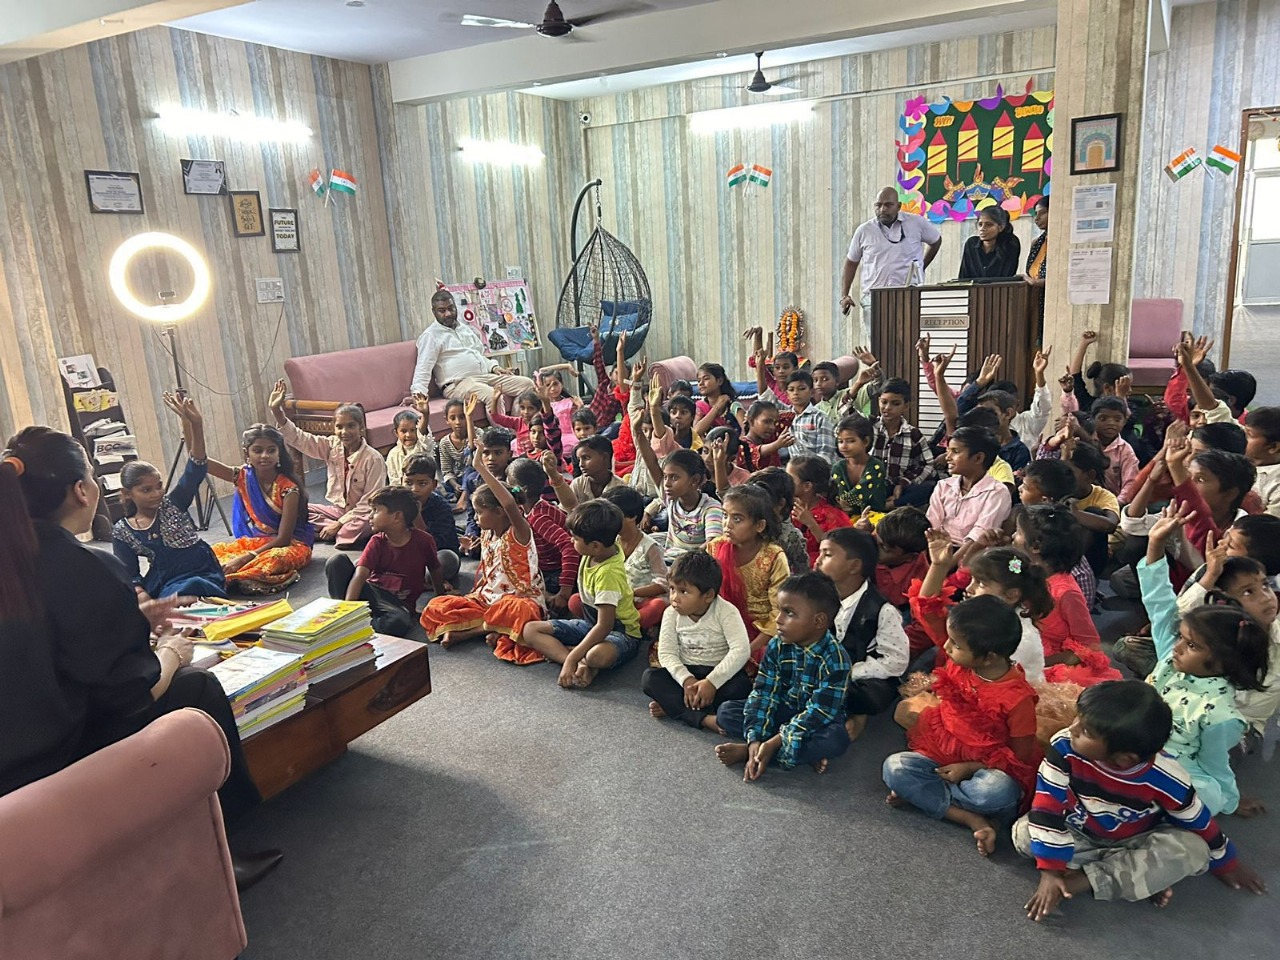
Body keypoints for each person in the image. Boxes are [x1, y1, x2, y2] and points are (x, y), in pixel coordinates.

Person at [0, 427, 281, 890]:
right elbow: (129, 696)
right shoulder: (87, 565)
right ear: (82, 490)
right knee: (196, 686)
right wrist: (170, 653)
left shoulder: (17, 556)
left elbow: (40, 638)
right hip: (51, 757)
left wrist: (129, 617)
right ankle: (224, 849)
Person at [1017, 681, 1266, 922]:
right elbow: (1046, 805)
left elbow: (1197, 821)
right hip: (1077, 830)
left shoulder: (1167, 776)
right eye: (1077, 718)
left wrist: (1227, 863)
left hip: (1133, 839)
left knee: (1192, 850)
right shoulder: (1064, 746)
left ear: (1124, 759)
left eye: (1085, 731)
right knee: (1023, 833)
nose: (1071, 729)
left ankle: (1077, 881)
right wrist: (1050, 870)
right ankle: (1133, 877)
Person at [1137, 505, 1270, 815]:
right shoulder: (1173, 658)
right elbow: (1160, 605)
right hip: (1134, 737)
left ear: (1222, 661)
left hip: (1172, 764)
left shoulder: (1221, 715)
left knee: (1207, 795)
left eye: (1191, 644)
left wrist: (1230, 801)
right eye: (1182, 639)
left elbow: (1214, 763)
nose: (1177, 648)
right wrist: (1155, 544)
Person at [883, 594, 1041, 856]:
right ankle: (972, 819)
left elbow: (1020, 757)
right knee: (894, 767)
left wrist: (969, 769)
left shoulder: (1017, 699)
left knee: (996, 791)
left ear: (988, 657)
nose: (945, 647)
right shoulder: (960, 663)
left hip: (985, 769)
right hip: (941, 755)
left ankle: (927, 796)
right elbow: (927, 611)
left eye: (955, 644)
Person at [714, 572, 853, 778]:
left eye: (789, 613)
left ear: (819, 621)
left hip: (816, 720)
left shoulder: (836, 660)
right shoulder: (777, 645)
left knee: (836, 739)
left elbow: (818, 712)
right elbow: (764, 692)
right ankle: (771, 751)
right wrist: (755, 738)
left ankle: (759, 753)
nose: (778, 620)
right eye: (779, 610)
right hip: (783, 709)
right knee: (726, 712)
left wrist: (772, 742)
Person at [419, 439, 544, 660]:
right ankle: (495, 627)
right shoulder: (486, 533)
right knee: (437, 606)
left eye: (479, 512)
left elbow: (509, 504)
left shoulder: (519, 532)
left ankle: (470, 632)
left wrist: (480, 468)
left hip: (519, 600)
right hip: (487, 599)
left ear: (498, 512)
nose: (475, 518)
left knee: (520, 612)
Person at [518, 499, 643, 688]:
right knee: (530, 630)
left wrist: (571, 660)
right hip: (589, 624)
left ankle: (579, 660)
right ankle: (581, 664)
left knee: (597, 656)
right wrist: (575, 658)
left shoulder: (608, 574)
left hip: (621, 633)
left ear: (595, 546)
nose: (570, 540)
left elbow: (605, 626)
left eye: (575, 538)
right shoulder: (594, 553)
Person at [113, 392, 225, 599]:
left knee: (194, 587)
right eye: (146, 490)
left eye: (159, 486)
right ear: (128, 494)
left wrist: (196, 425)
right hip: (166, 580)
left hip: (202, 572)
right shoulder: (122, 530)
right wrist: (141, 594)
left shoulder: (173, 504)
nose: (156, 494)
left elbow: (196, 468)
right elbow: (129, 573)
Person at [910, 535, 1048, 683]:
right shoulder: (977, 614)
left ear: (1012, 595)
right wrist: (939, 566)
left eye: (981, 584)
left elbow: (995, 693)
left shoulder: (1020, 641)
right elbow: (929, 609)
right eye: (972, 580)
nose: (969, 588)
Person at [642, 550, 752, 731]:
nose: (674, 597)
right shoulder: (671, 613)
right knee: (650, 679)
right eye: (672, 589)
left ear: (708, 595)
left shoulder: (726, 612)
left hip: (718, 674)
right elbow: (667, 653)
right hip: (687, 674)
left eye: (683, 591)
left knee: (740, 687)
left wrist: (711, 683)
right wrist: (686, 681)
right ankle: (705, 719)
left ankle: (676, 708)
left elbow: (740, 650)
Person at [268, 380, 385, 549]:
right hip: (337, 511)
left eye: (351, 426)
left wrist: (339, 524)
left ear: (361, 427)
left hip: (363, 513)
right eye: (340, 427)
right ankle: (333, 533)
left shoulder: (373, 459)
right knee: (297, 510)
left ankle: (331, 532)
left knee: (362, 525)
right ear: (334, 428)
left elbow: (370, 502)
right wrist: (276, 411)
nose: (345, 432)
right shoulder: (331, 446)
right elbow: (301, 439)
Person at [817, 528, 909, 740]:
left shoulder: (882, 609)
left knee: (871, 696)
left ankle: (855, 714)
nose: (818, 560)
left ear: (854, 566)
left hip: (857, 675)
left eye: (827, 554)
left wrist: (853, 671)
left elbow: (897, 661)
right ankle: (832, 715)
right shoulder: (814, 594)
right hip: (820, 665)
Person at [1014, 505, 1118, 685]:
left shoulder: (1066, 593)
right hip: (1021, 643)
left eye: (1017, 532)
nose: (1012, 537)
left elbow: (1089, 646)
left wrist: (1038, 663)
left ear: (1036, 546)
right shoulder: (1019, 568)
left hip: (1052, 660)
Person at [207, 422, 315, 594]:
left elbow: (284, 539)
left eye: (271, 450)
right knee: (212, 553)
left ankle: (235, 579)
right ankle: (237, 579)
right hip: (259, 541)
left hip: (291, 545)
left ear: (279, 453)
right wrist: (192, 425)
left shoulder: (289, 488)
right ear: (246, 453)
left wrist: (248, 556)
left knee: (274, 558)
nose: (265, 456)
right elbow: (200, 461)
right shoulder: (242, 477)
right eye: (258, 450)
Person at [325, 486, 446, 637]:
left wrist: (441, 600)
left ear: (397, 517)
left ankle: (360, 625)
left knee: (398, 621)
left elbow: (435, 569)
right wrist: (349, 610)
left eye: (375, 510)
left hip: (396, 604)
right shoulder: (377, 541)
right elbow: (360, 575)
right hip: (371, 591)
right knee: (337, 561)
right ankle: (348, 619)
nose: (370, 516)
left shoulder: (424, 541)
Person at [841, 186, 943, 336]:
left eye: (888, 205)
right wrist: (845, 295)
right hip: (874, 298)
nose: (882, 209)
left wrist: (921, 267)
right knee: (878, 345)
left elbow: (936, 241)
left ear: (899, 206)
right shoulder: (864, 231)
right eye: (878, 205)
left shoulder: (916, 223)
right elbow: (851, 262)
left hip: (909, 295)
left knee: (910, 341)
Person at [705, 485, 790, 661]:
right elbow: (702, 594)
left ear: (759, 525)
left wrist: (747, 650)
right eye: (725, 515)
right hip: (719, 625)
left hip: (759, 633)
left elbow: (779, 612)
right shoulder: (714, 547)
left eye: (737, 519)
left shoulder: (773, 557)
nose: (727, 524)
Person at [410, 288, 534, 406]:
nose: (448, 314)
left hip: (485, 377)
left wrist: (494, 367)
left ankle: (519, 424)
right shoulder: (430, 336)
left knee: (527, 384)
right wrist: (418, 395)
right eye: (442, 311)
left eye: (451, 308)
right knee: (493, 396)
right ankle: (501, 428)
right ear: (434, 312)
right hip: (458, 385)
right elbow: (423, 368)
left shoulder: (465, 329)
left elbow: (479, 355)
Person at [927, 426, 1012, 546]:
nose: (947, 458)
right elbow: (932, 525)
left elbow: (979, 537)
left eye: (955, 452)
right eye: (948, 451)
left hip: (973, 555)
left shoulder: (997, 492)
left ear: (978, 458)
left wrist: (947, 563)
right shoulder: (943, 486)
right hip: (939, 549)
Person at [601, 485, 669, 633]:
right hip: (613, 601)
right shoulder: (610, 543)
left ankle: (615, 626)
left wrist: (631, 593)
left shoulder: (650, 547)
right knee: (576, 601)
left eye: (612, 516)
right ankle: (617, 625)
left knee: (657, 606)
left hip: (639, 602)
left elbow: (663, 584)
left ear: (631, 517)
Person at [872, 378, 936, 508]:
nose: (887, 408)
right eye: (884, 402)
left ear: (906, 406)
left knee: (929, 488)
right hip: (870, 484)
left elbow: (928, 464)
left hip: (898, 488)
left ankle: (892, 504)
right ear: (879, 401)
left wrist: (903, 483)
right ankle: (873, 504)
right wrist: (858, 384)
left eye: (895, 404)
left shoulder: (913, 434)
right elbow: (845, 414)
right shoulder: (869, 427)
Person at [401, 454, 461, 585]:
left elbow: (434, 546)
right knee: (362, 562)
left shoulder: (441, 507)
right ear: (401, 481)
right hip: (405, 556)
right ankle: (416, 581)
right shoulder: (397, 503)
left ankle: (407, 581)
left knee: (448, 559)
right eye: (408, 483)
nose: (414, 489)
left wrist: (417, 517)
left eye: (422, 483)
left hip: (433, 559)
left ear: (434, 485)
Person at [788, 454, 853, 566]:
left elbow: (837, 550)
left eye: (790, 480)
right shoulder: (786, 504)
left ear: (807, 486)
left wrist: (811, 524)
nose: (786, 483)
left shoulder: (830, 515)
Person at [748, 466, 810, 574]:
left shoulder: (791, 537)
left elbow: (803, 572)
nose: (753, 506)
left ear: (781, 504)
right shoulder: (747, 524)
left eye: (761, 501)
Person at [483, 380, 563, 462]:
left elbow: (550, 427)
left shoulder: (544, 424)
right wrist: (495, 399)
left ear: (539, 409)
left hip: (539, 458)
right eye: (522, 408)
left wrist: (545, 402)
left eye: (531, 408)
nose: (526, 412)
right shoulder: (518, 422)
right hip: (523, 458)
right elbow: (496, 417)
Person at [831, 414, 887, 516]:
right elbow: (839, 496)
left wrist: (844, 502)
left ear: (866, 441)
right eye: (840, 441)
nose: (844, 446)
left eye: (851, 441)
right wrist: (842, 503)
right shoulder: (838, 467)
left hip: (873, 515)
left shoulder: (876, 466)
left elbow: (861, 493)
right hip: (845, 515)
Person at [785, 371, 838, 464]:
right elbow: (767, 397)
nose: (796, 393)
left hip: (816, 470)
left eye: (801, 389)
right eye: (791, 389)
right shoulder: (786, 416)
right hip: (794, 471)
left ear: (812, 392)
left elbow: (825, 454)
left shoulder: (820, 418)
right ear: (787, 394)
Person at [958, 205, 1021, 280]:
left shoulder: (1010, 244)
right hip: (973, 290)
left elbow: (1006, 278)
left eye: (988, 225)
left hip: (1000, 290)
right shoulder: (971, 244)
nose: (982, 229)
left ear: (1001, 227)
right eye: (980, 224)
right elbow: (963, 277)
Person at [385, 408, 436, 487]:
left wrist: (425, 415)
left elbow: (424, 435)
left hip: (427, 492)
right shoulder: (393, 454)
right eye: (404, 431)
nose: (408, 435)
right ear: (396, 432)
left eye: (413, 430)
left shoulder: (423, 447)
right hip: (403, 494)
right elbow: (394, 482)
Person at [1243, 407, 1280, 516]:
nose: (1241, 437)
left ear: (1273, 447)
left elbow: (1268, 527)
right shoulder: (1240, 451)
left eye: (1249, 435)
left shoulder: (1276, 485)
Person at [436, 398, 471, 508]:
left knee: (471, 474)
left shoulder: (477, 434)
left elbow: (474, 452)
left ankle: (464, 498)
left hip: (473, 477)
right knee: (436, 489)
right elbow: (446, 471)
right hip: (456, 481)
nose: (458, 422)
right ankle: (458, 496)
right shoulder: (445, 442)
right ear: (447, 419)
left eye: (462, 417)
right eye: (453, 418)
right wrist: (455, 484)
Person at [1022, 195, 1050, 288]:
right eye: (1036, 213)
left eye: (1042, 213)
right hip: (1034, 298)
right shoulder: (1036, 243)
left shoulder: (1061, 243)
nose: (1037, 218)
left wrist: (1032, 282)